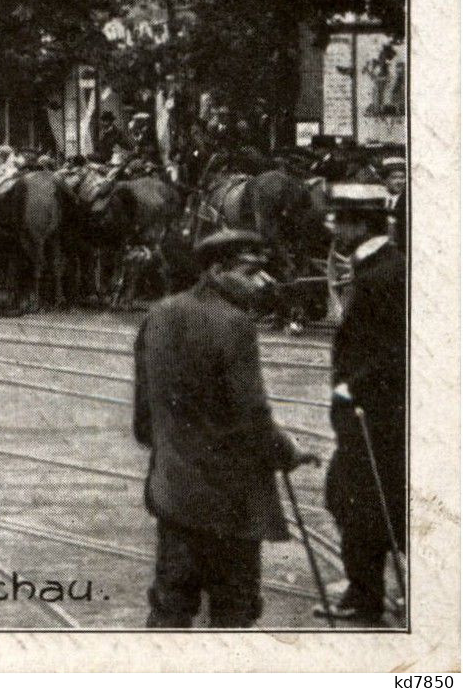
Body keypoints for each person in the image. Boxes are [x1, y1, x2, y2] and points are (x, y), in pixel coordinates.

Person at [132, 228, 312, 628]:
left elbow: (143, 418)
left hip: (174, 492)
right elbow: (253, 413)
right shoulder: (234, 324)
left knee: (171, 605)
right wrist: (287, 451)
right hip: (230, 500)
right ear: (215, 271)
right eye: (249, 273)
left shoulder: (158, 313)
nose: (262, 283)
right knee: (234, 608)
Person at [319, 187, 407, 625]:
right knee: (364, 498)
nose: (334, 229)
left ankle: (365, 595)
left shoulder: (382, 274)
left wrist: (353, 387)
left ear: (360, 224)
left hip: (372, 409)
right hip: (375, 407)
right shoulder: (379, 265)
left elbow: (395, 347)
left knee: (351, 498)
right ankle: (366, 588)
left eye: (340, 221)